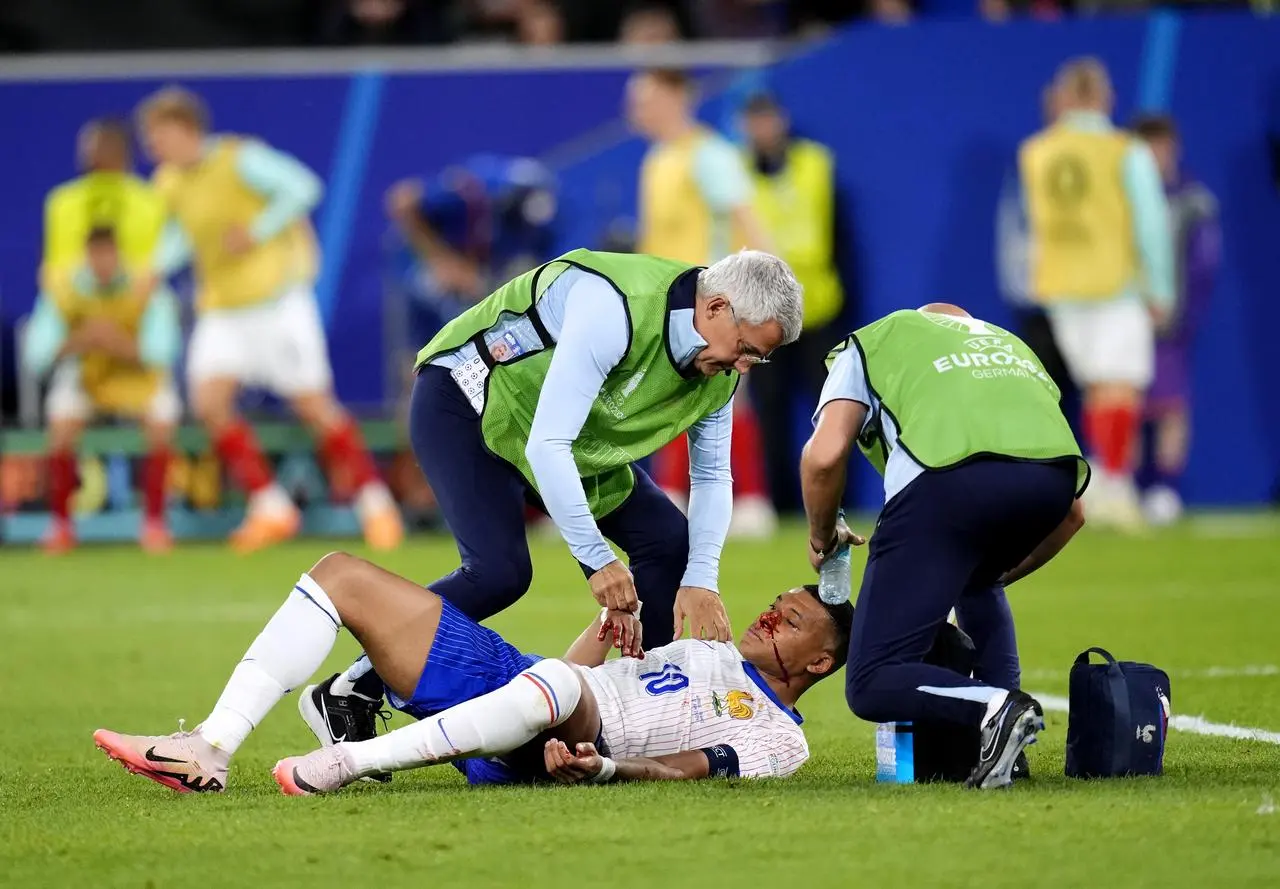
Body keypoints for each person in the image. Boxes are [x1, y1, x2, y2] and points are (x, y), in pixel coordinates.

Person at [305, 247, 803, 751]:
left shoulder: (719, 370)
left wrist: (702, 579)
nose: (744, 367)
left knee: (669, 541)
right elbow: (547, 447)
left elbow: (714, 476)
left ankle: (649, 711)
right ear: (716, 308)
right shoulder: (616, 306)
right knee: (499, 574)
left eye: (758, 357)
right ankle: (350, 689)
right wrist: (597, 562)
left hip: (565, 441)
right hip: (470, 404)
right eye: (744, 348)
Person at [92, 549, 851, 792]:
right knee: (340, 574)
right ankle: (210, 746)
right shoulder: (708, 644)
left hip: (575, 728)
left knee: (556, 687)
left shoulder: (783, 740)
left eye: (790, 619)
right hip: (531, 689)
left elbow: (693, 767)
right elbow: (574, 669)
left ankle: (343, 762)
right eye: (776, 602)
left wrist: (607, 768)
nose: (767, 614)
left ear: (819, 661)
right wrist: (605, 629)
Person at [800, 304, 1089, 789]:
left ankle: (997, 705)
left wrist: (822, 536)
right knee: (978, 581)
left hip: (946, 483)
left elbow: (824, 456)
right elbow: (1074, 516)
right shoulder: (1010, 345)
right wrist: (984, 574)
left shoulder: (878, 337)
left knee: (872, 681)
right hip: (1054, 485)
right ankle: (1007, 753)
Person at [134, 86, 403, 553]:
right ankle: (270, 506)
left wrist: (257, 231)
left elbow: (303, 189)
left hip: (277, 301)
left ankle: (376, 504)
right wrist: (156, 267)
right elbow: (183, 235)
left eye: (157, 136)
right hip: (221, 308)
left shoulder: (242, 158)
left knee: (314, 406)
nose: (152, 147)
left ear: (184, 129)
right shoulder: (168, 182)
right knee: (209, 403)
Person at [1018, 58, 1173, 530]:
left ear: (1064, 97)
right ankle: (1118, 484)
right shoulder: (1126, 150)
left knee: (1095, 387)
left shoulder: (1037, 152)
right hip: (1116, 281)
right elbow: (1150, 223)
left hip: (1062, 283)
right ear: (1104, 97)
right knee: (1120, 384)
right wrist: (1161, 286)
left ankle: (1103, 480)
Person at [627, 68, 778, 537]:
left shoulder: (710, 154)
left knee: (727, 398)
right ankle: (674, 494)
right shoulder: (656, 161)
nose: (636, 111)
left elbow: (748, 222)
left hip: (713, 302)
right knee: (671, 393)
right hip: (664, 301)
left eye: (646, 99)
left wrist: (769, 290)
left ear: (676, 97)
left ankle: (750, 501)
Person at [22, 227, 182, 552]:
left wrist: (116, 343)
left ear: (118, 254)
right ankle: (61, 527)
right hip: (87, 374)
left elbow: (163, 352)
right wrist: (84, 340)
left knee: (162, 423)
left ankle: (154, 524)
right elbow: (37, 355)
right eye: (96, 255)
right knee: (61, 427)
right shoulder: (65, 289)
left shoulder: (144, 288)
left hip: (136, 377)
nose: (102, 262)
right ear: (87, 255)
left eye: (108, 254)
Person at [738, 91, 847, 514]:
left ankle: (833, 502)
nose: (762, 129)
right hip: (762, 314)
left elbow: (838, 231)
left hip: (817, 306)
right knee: (770, 414)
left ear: (781, 120)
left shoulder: (814, 164)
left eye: (767, 119)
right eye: (754, 121)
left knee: (832, 414)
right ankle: (780, 505)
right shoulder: (738, 174)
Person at [1130, 114, 1221, 525]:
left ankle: (1166, 490)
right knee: (1122, 403)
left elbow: (1204, 263)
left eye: (1161, 150)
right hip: (1125, 320)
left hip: (1171, 323)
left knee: (1170, 407)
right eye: (1147, 150)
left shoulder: (1192, 198)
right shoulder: (1120, 198)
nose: (1155, 158)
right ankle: (1124, 485)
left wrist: (1185, 315)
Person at [41, 118, 166, 279]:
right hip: (75, 296)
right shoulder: (61, 202)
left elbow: (156, 267)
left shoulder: (152, 201)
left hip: (140, 296)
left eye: (108, 146)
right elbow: (53, 270)